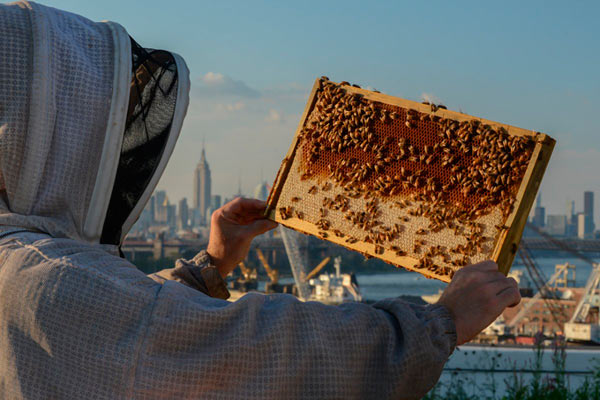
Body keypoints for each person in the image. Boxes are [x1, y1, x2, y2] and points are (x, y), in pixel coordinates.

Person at [0, 2, 520, 399]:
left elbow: (115, 337)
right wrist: (437, 324)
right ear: (47, 134)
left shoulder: (22, 267)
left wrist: (210, 265)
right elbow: (260, 351)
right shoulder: (43, 277)